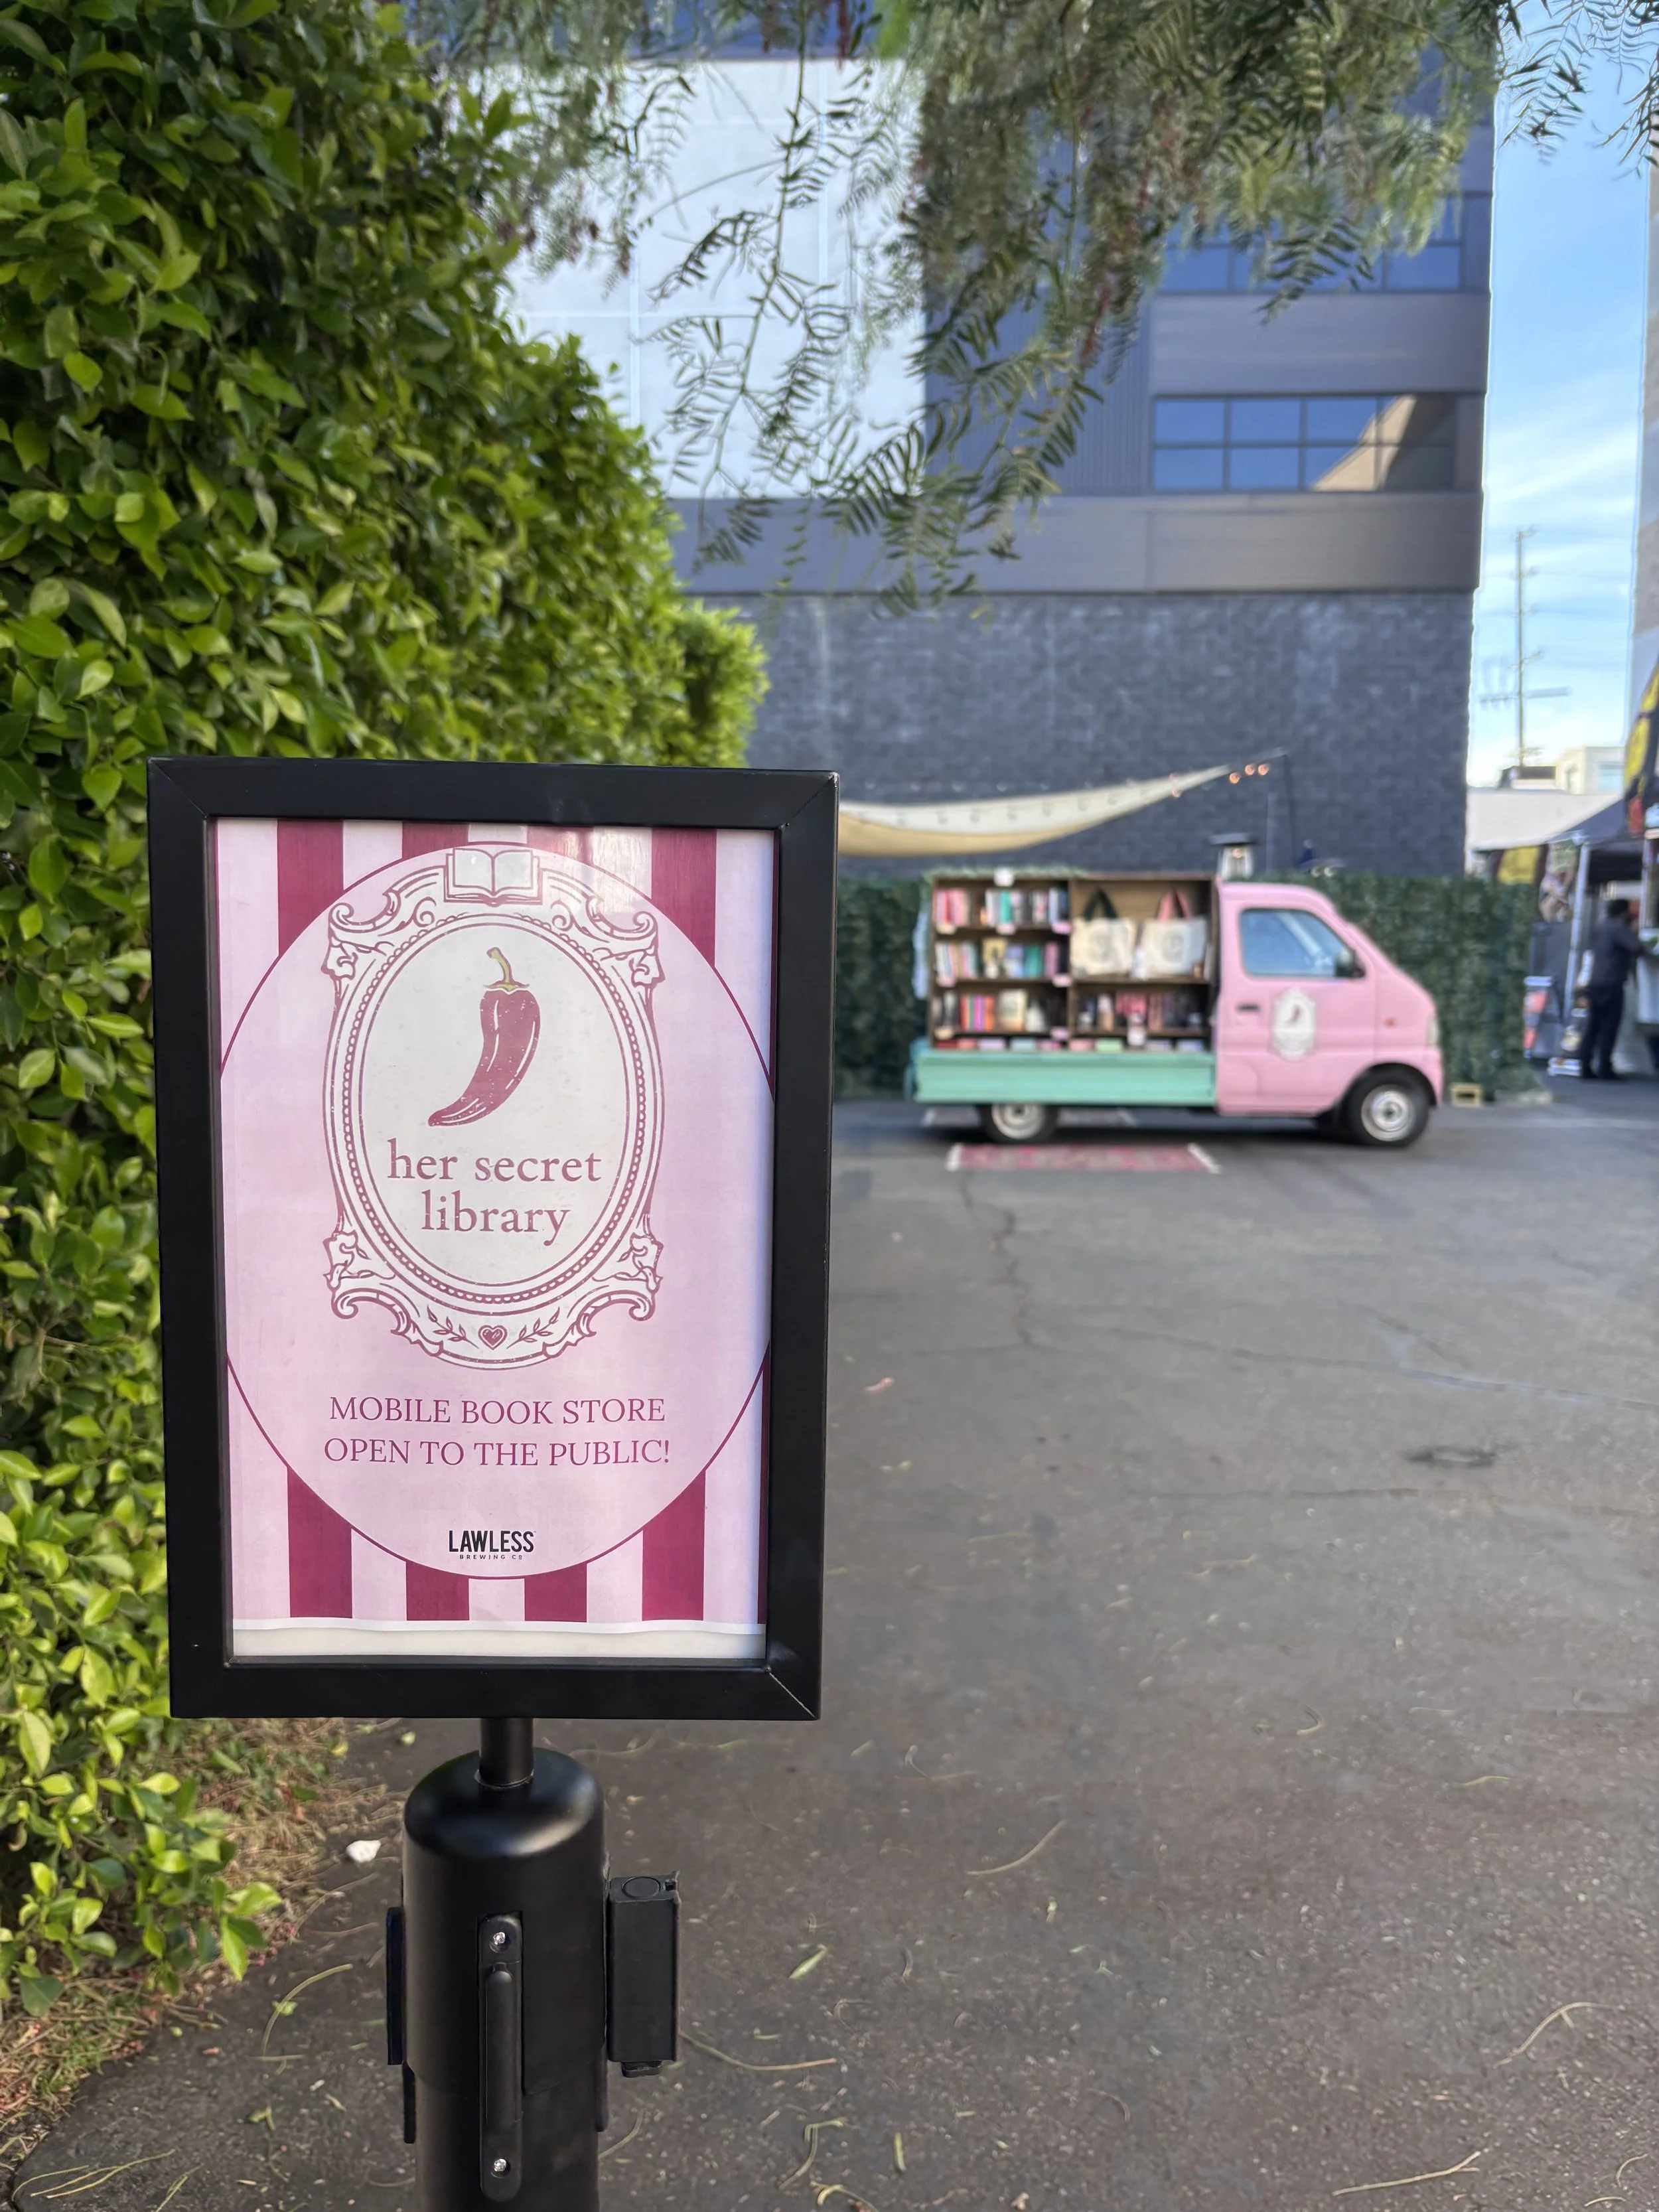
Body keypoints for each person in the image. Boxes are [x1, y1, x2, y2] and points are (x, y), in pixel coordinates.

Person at [1580, 897, 1642, 1080]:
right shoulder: (1619, 928)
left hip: (1596, 981)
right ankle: (1605, 1068)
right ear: (1623, 912)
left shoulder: (1601, 926)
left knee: (1593, 1027)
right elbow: (1637, 948)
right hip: (1612, 982)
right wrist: (1634, 931)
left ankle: (1585, 1066)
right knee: (1609, 1027)